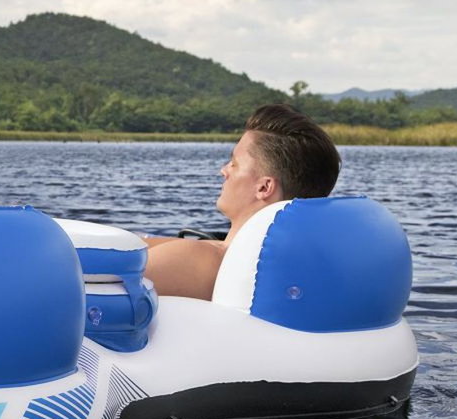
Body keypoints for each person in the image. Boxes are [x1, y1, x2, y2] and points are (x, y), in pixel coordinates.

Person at [140, 102, 339, 300]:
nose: (224, 170)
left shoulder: (202, 260)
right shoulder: (293, 264)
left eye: (234, 164)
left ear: (264, 187)